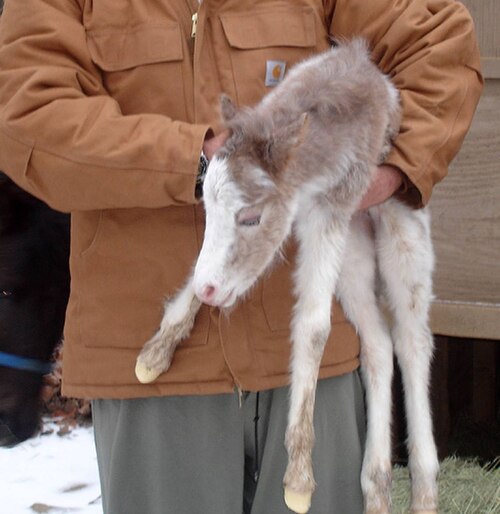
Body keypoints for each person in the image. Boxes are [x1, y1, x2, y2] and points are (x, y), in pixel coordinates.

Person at [0, 1, 482, 513]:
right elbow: (25, 113)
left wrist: (388, 173)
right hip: (151, 368)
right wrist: (200, 160)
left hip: (310, 367)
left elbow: (439, 45)